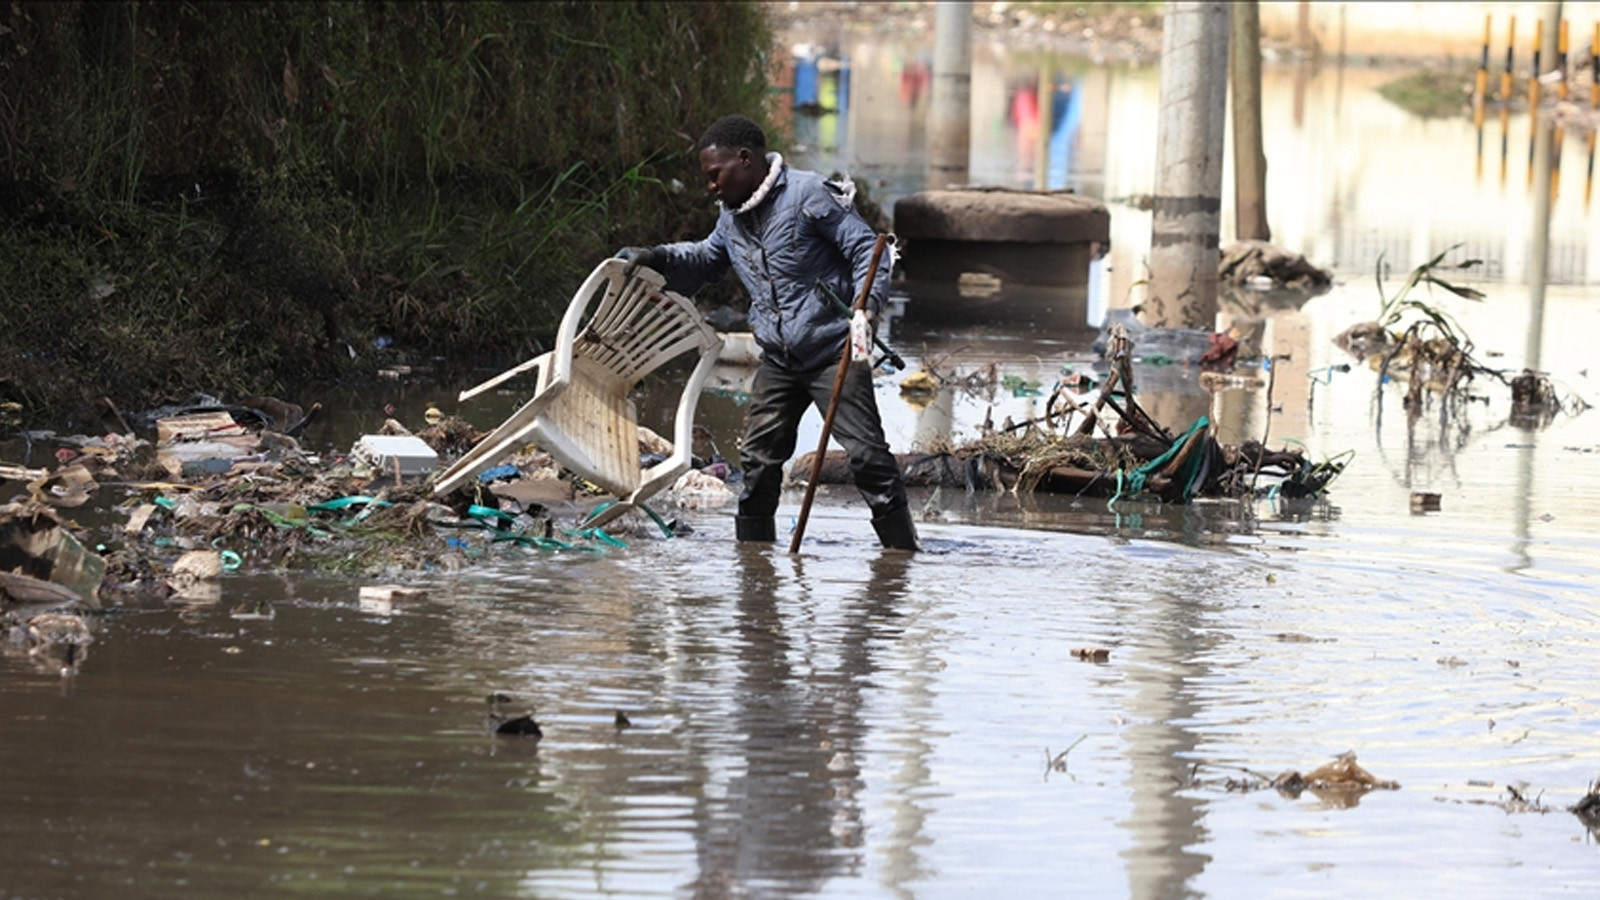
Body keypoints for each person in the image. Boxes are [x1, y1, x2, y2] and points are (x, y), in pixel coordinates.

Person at [616, 114, 918, 551]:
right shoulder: (731, 217)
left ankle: (902, 558)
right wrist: (658, 257)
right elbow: (706, 260)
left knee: (868, 457)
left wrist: (864, 311)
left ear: (745, 159)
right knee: (758, 464)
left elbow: (867, 252)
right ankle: (755, 569)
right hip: (778, 359)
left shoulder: (809, 195)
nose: (712, 186)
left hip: (833, 351)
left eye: (715, 175)